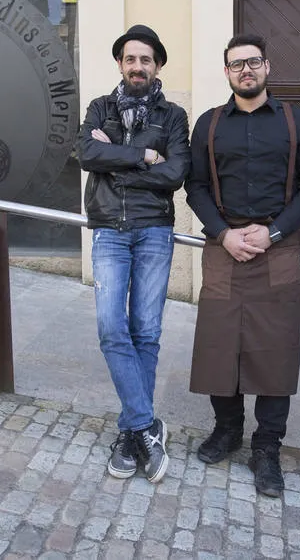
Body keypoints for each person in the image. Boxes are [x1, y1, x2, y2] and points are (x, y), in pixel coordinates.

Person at [185, 34, 300, 497]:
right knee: (219, 344)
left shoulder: (297, 122)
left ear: (267, 66)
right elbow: (197, 188)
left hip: (277, 248)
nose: (246, 70)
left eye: (253, 62)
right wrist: (223, 233)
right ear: (226, 72)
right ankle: (227, 430)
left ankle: (268, 447)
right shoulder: (207, 125)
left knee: (275, 349)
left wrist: (275, 232)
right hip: (223, 247)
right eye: (236, 64)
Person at [76, 24, 190, 483]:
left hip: (154, 232)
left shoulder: (175, 114)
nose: (137, 66)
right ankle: (145, 425)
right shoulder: (99, 108)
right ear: (120, 64)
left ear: (157, 64)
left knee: (146, 330)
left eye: (145, 59)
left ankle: (129, 432)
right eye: (129, 59)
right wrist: (144, 156)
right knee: (111, 328)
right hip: (109, 229)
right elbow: (85, 153)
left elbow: (176, 173)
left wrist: (118, 158)